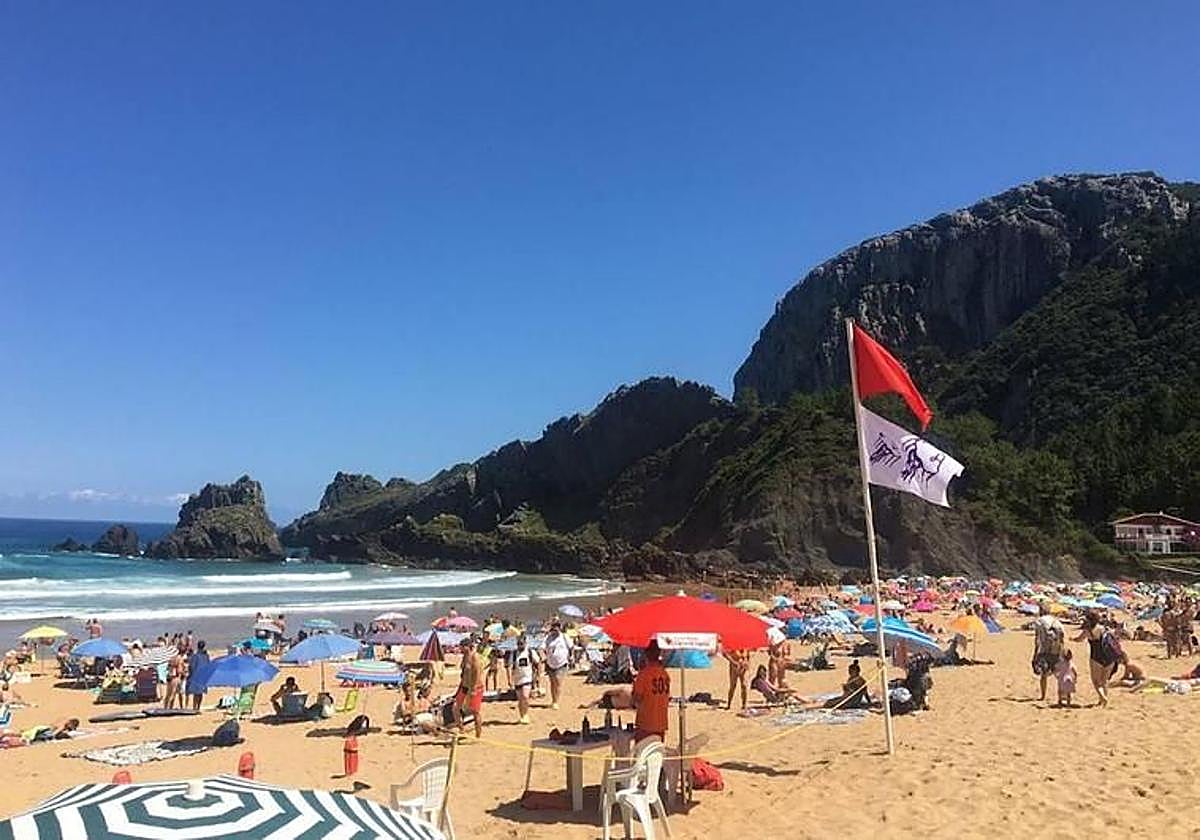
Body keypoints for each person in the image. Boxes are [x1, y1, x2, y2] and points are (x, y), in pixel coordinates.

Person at [1074, 611, 1118, 707]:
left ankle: (1103, 698)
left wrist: (1072, 639)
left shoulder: (1088, 631)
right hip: (1109, 656)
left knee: (1096, 681)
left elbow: (1079, 639)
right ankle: (1101, 700)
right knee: (1104, 680)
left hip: (1096, 657)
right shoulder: (1104, 628)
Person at [631, 641, 670, 741]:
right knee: (657, 752)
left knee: (642, 752)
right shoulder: (664, 673)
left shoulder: (644, 674)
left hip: (646, 722)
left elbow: (637, 698)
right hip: (661, 721)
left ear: (646, 654)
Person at [1032, 604, 1065, 702]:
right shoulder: (1056, 621)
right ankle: (1060, 697)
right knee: (1059, 674)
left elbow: (1037, 639)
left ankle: (1043, 696)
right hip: (1056, 649)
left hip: (1044, 650)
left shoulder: (1039, 621)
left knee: (1044, 674)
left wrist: (1035, 653)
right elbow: (1062, 636)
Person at [453, 638, 484, 738]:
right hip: (464, 686)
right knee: (455, 708)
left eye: (462, 647)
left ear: (467, 647)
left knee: (475, 712)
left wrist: (473, 689)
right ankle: (462, 729)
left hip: (475, 687)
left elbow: (477, 673)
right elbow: (464, 673)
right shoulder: (465, 656)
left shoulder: (475, 657)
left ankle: (478, 735)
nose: (460, 649)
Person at [512, 635, 539, 724]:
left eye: (522, 644)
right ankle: (522, 715)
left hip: (527, 678)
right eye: (518, 644)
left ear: (525, 643)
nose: (520, 646)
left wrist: (538, 676)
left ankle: (526, 714)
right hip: (517, 679)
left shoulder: (530, 652)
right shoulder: (514, 653)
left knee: (525, 696)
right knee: (520, 699)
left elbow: (538, 662)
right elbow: (509, 666)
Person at [543, 622, 571, 710]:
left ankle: (556, 702)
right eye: (554, 628)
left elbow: (571, 647)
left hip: (561, 663)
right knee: (552, 683)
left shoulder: (564, 637)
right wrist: (544, 656)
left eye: (557, 628)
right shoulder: (548, 638)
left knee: (558, 682)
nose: (555, 630)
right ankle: (553, 699)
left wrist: (571, 656)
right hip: (550, 662)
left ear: (560, 628)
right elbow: (542, 647)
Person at [186, 641, 210, 711]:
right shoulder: (205, 656)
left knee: (196, 693)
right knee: (199, 693)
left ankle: (195, 707)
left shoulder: (196, 656)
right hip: (203, 676)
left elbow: (191, 666)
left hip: (197, 676)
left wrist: (191, 675)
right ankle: (197, 707)